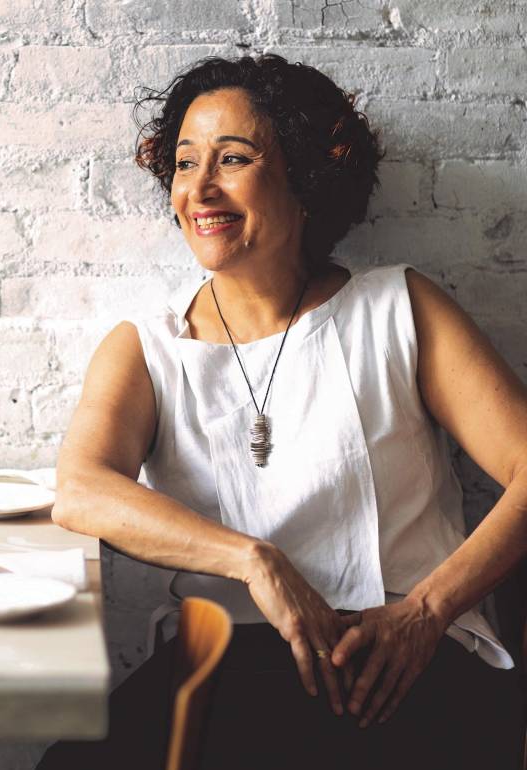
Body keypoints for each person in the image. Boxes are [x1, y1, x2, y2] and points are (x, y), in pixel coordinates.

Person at [37, 54, 527, 769]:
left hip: (401, 661)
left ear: (304, 178)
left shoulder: (399, 308)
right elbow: (82, 490)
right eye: (184, 163)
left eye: (232, 159)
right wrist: (254, 561)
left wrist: (426, 612)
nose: (199, 188)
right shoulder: (147, 347)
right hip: (222, 662)